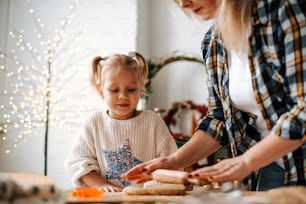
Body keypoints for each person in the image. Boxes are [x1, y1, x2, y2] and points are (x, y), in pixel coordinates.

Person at [123, 0, 306, 191]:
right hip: (271, 166)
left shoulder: (283, 11)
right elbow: (218, 120)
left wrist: (245, 162)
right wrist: (174, 161)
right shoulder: (213, 41)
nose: (184, 4)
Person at [65, 52, 178, 192]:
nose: (123, 96)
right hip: (107, 200)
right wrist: (102, 185)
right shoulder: (94, 123)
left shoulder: (153, 122)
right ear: (101, 91)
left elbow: (171, 163)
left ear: (141, 89)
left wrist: (145, 192)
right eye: (114, 90)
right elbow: (78, 163)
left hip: (147, 198)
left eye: (131, 90)